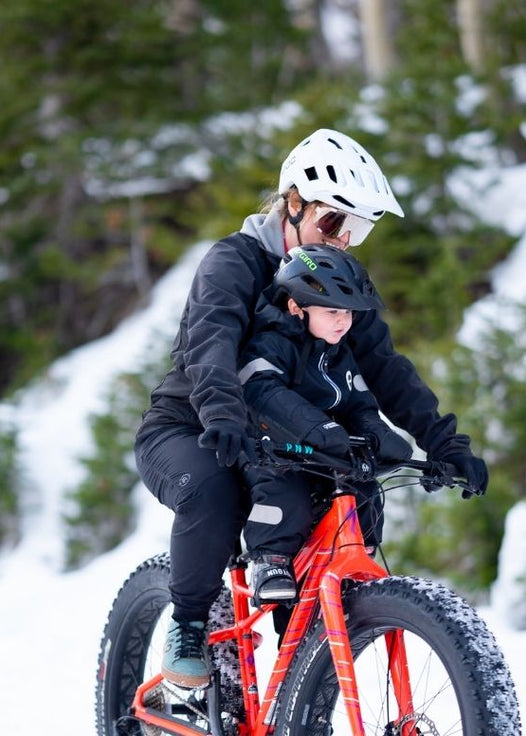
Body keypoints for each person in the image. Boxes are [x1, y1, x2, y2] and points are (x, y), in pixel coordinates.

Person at [134, 128, 489, 689]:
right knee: (216, 491)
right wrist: (223, 415)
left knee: (334, 502)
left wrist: (444, 441)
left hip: (285, 434)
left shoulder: (334, 279)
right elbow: (212, 346)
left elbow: (386, 369)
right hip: (194, 426)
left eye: (359, 228)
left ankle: (299, 675)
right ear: (291, 205)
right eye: (332, 221)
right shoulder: (235, 262)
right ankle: (188, 623)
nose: (344, 238)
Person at [239, 244, 415, 604]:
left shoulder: (337, 353)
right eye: (332, 310)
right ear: (295, 307)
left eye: (348, 312)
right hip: (270, 450)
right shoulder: (271, 344)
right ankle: (269, 560)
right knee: (287, 494)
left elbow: (359, 404)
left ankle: (356, 557)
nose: (342, 321)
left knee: (365, 492)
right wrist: (318, 430)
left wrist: (381, 437)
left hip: (322, 453)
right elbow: (263, 391)